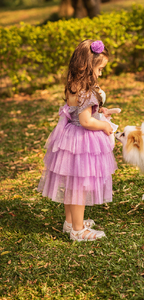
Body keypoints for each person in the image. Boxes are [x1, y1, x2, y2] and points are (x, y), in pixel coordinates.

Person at [38, 39, 118, 242]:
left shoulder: (74, 86)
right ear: (89, 67)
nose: (100, 73)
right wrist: (104, 125)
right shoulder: (86, 91)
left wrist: (101, 111)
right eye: (99, 69)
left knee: (72, 184)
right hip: (82, 141)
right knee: (79, 187)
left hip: (70, 138)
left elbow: (80, 112)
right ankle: (78, 230)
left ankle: (70, 221)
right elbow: (86, 121)